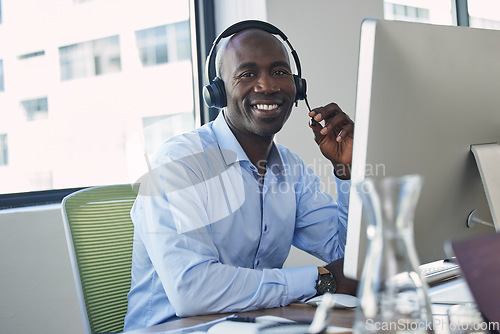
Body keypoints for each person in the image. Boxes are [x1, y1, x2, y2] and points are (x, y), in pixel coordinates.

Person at [123, 23, 357, 332]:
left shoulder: (290, 168)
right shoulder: (180, 163)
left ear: (298, 87)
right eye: (247, 74)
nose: (267, 86)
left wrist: (346, 171)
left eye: (279, 72)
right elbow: (193, 290)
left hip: (254, 325)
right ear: (218, 92)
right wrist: (321, 279)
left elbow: (347, 259)